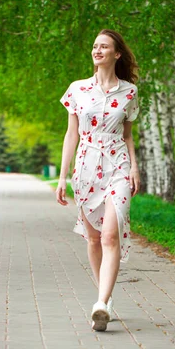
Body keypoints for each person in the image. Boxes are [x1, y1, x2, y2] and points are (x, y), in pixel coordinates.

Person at [56, 29, 140, 332]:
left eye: (103, 47)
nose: (97, 50)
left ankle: (101, 304)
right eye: (94, 46)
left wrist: (134, 168)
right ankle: (104, 297)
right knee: (92, 239)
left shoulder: (129, 92)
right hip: (87, 167)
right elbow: (71, 134)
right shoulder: (77, 89)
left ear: (116, 54)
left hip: (118, 165)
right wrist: (62, 177)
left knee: (109, 237)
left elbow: (128, 135)